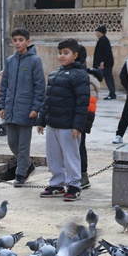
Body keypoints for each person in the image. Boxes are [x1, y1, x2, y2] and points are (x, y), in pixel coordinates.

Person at [36, 38, 89, 202]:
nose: (62, 56)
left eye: (66, 53)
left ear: (75, 55)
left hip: (68, 126)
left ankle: (74, 185)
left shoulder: (80, 75)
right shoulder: (54, 74)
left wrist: (78, 126)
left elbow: (82, 102)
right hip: (53, 124)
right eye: (60, 53)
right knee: (53, 156)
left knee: (71, 156)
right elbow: (47, 99)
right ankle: (57, 184)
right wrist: (41, 120)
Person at [0, 28, 45, 187]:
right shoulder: (10, 60)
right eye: (15, 40)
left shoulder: (34, 61)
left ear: (28, 42)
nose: (18, 43)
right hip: (11, 108)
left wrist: (36, 107)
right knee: (12, 142)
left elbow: (40, 86)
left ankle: (20, 174)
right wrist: (2, 105)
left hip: (27, 109)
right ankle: (28, 166)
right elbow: (4, 84)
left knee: (24, 144)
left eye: (21, 40)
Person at [76, 45, 102, 190]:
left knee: (79, 145)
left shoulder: (85, 77)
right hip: (78, 116)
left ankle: (82, 174)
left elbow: (90, 103)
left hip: (82, 116)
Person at [93, 26, 116, 100]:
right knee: (107, 77)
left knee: (102, 78)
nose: (96, 34)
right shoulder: (103, 40)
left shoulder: (103, 40)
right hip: (106, 63)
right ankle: (112, 94)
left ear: (100, 32)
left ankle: (111, 94)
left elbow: (105, 52)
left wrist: (102, 62)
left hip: (105, 64)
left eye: (97, 32)